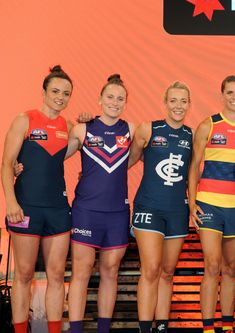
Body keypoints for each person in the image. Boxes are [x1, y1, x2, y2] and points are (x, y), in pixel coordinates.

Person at [1, 65, 74, 333]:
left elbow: (83, 143)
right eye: (55, 91)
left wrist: (88, 119)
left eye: (66, 93)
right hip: (25, 207)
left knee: (56, 276)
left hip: (57, 208)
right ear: (43, 92)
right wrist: (11, 202)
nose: (60, 97)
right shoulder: (25, 120)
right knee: (23, 275)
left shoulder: (69, 126)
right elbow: (7, 163)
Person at [188, 75, 235, 333]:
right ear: (222, 95)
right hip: (208, 205)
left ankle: (227, 326)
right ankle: (208, 327)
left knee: (230, 269)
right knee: (212, 265)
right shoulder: (208, 125)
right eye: (230, 92)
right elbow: (194, 166)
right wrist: (192, 202)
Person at [67, 74, 135, 333]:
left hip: (117, 212)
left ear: (125, 103)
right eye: (110, 97)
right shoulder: (82, 128)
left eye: (120, 98)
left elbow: (135, 158)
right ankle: (75, 330)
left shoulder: (130, 130)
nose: (115, 102)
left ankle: (103, 330)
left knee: (110, 273)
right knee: (81, 273)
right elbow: (57, 155)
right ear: (99, 99)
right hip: (86, 211)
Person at [129, 81, 193, 333]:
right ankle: (145, 328)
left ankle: (162, 326)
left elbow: (193, 175)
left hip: (178, 211)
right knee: (151, 269)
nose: (178, 106)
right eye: (173, 100)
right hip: (149, 208)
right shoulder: (148, 129)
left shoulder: (192, 134)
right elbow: (127, 161)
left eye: (183, 101)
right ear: (165, 103)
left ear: (189, 104)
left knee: (167, 272)